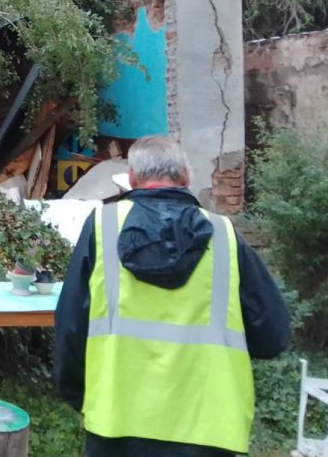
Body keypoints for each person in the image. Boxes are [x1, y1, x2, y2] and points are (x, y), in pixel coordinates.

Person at [53, 135, 290, 456]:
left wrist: (79, 395)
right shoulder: (225, 237)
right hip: (208, 429)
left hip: (117, 422)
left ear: (133, 179)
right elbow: (273, 337)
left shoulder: (102, 227)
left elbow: (70, 326)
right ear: (187, 178)